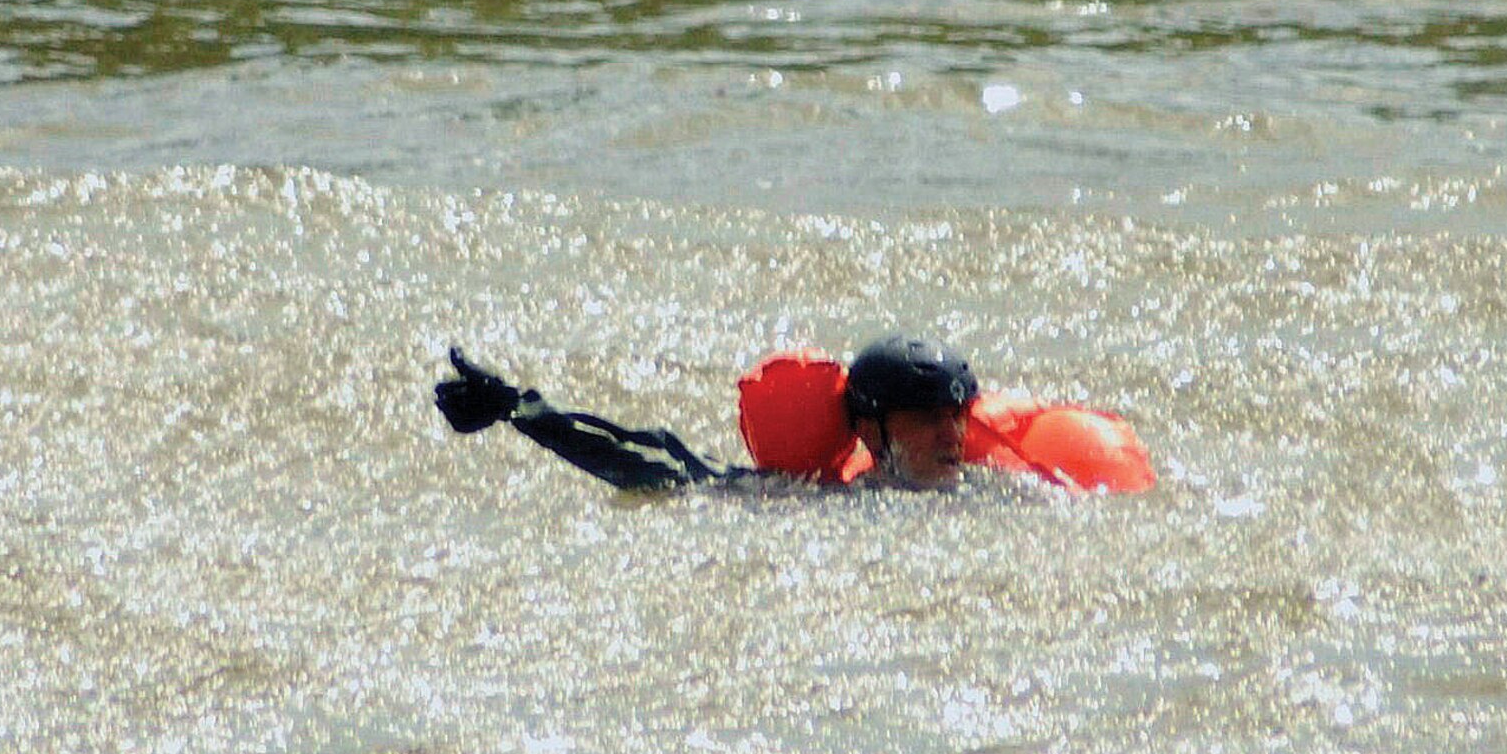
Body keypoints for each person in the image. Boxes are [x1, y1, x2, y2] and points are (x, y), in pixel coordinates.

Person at [435, 334, 1148, 493]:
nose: (950, 433)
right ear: (868, 428)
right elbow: (659, 462)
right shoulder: (821, 500)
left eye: (956, 414)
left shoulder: (1006, 490)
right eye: (925, 417)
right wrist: (520, 410)